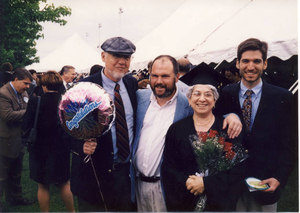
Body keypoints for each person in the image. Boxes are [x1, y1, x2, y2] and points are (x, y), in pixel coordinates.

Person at [131, 55, 242, 212]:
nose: (159, 81)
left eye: (165, 76)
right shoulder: (140, 98)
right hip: (141, 186)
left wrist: (232, 116)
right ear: (190, 98)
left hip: (176, 193)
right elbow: (171, 165)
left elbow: (236, 170)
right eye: (154, 75)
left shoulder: (219, 125)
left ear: (177, 77)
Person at [215, 38, 296, 212]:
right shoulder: (226, 93)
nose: (250, 67)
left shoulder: (283, 97)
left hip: (265, 185)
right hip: (231, 187)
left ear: (265, 64)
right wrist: (227, 115)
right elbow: (215, 125)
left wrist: (279, 177)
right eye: (245, 61)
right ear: (237, 63)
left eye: (256, 61)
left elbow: (291, 144)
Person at [70, 36, 138, 212]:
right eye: (116, 56)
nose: (122, 62)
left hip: (125, 173)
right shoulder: (83, 86)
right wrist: (80, 144)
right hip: (93, 174)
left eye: (127, 57)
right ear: (103, 57)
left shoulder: (131, 83)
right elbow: (63, 125)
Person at [161, 83, 245, 211]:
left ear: (215, 101)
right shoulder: (177, 129)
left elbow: (237, 170)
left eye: (208, 94)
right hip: (185, 199)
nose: (202, 99)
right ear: (189, 100)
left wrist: (207, 184)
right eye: (197, 94)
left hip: (219, 202)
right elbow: (168, 167)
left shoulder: (227, 129)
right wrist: (187, 182)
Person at [21, 71, 75, 212]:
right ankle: (72, 211)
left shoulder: (35, 101)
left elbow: (26, 124)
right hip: (61, 148)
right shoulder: (66, 102)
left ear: (44, 86)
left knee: (43, 185)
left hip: (39, 148)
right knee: (64, 183)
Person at [0, 68, 34, 211]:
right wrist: (29, 112)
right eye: (25, 83)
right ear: (15, 80)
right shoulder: (3, 94)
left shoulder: (23, 92)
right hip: (5, 141)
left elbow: (21, 109)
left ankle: (15, 198)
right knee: (2, 175)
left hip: (19, 139)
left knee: (16, 172)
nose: (28, 87)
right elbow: (7, 115)